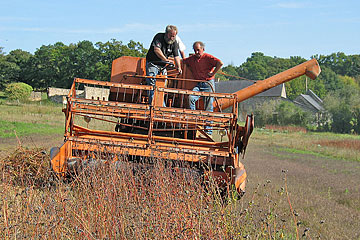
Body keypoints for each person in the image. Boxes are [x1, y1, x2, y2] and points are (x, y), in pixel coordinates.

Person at [183, 41, 223, 135]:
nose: (196, 52)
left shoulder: (208, 57)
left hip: (208, 83)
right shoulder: (191, 59)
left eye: (198, 50)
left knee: (208, 106)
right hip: (198, 84)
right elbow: (182, 61)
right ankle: (194, 123)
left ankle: (208, 130)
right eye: (195, 50)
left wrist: (213, 73)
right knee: (190, 98)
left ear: (203, 49)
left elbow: (220, 63)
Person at [145, 25, 182, 105]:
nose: (172, 38)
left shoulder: (174, 42)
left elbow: (176, 56)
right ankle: (155, 105)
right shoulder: (159, 37)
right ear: (166, 33)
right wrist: (166, 60)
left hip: (163, 66)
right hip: (153, 64)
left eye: (174, 36)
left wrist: (179, 67)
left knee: (162, 86)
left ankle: (160, 104)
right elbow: (156, 49)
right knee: (152, 84)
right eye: (171, 35)